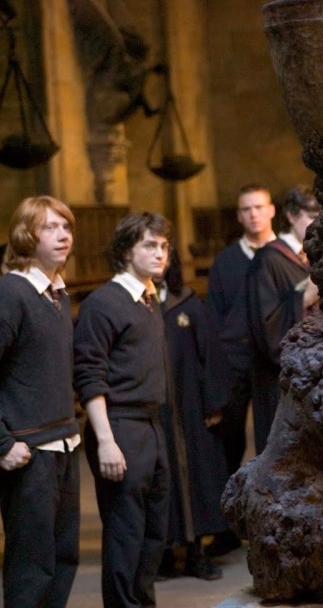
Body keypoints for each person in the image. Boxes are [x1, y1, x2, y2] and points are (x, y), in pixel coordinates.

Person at [74, 212, 173, 606]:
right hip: (119, 425)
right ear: (126, 251)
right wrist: (105, 441)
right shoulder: (103, 303)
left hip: (151, 425)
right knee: (125, 534)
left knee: (154, 532)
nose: (160, 253)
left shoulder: (149, 299)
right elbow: (89, 376)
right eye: (150, 245)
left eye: (164, 246)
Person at [0, 196, 80, 608]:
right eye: (50, 227)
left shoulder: (57, 294)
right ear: (26, 236)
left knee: (63, 560)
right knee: (31, 568)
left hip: (65, 442)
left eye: (66, 226)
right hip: (28, 451)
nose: (63, 235)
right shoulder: (11, 293)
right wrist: (2, 443)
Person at [205, 183, 276, 556]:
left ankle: (272, 520)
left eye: (259, 207)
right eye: (246, 209)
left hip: (271, 362)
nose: (253, 214)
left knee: (273, 440)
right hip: (234, 362)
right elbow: (215, 318)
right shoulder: (226, 261)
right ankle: (226, 526)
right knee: (228, 444)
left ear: (272, 210)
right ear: (238, 216)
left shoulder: (283, 254)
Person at [156, 251, 230, 580]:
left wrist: (214, 403)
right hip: (155, 411)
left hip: (191, 407)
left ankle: (197, 552)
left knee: (198, 478)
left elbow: (210, 353)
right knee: (161, 479)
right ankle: (164, 553)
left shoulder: (187, 304)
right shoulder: (137, 304)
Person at [246, 185, 319, 455]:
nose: (318, 225)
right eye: (311, 217)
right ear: (291, 215)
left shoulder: (315, 257)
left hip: (315, 377)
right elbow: (266, 327)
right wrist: (304, 298)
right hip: (279, 383)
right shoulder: (268, 259)